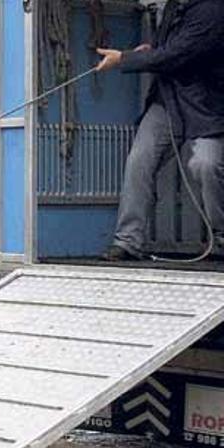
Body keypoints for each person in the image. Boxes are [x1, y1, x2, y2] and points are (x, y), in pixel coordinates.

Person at [95, 0, 224, 261]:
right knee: (139, 160)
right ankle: (128, 240)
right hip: (167, 99)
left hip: (207, 103)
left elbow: (179, 53)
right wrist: (151, 49)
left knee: (206, 165)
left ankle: (221, 238)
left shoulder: (214, 9)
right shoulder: (175, 4)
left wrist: (124, 58)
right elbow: (168, 46)